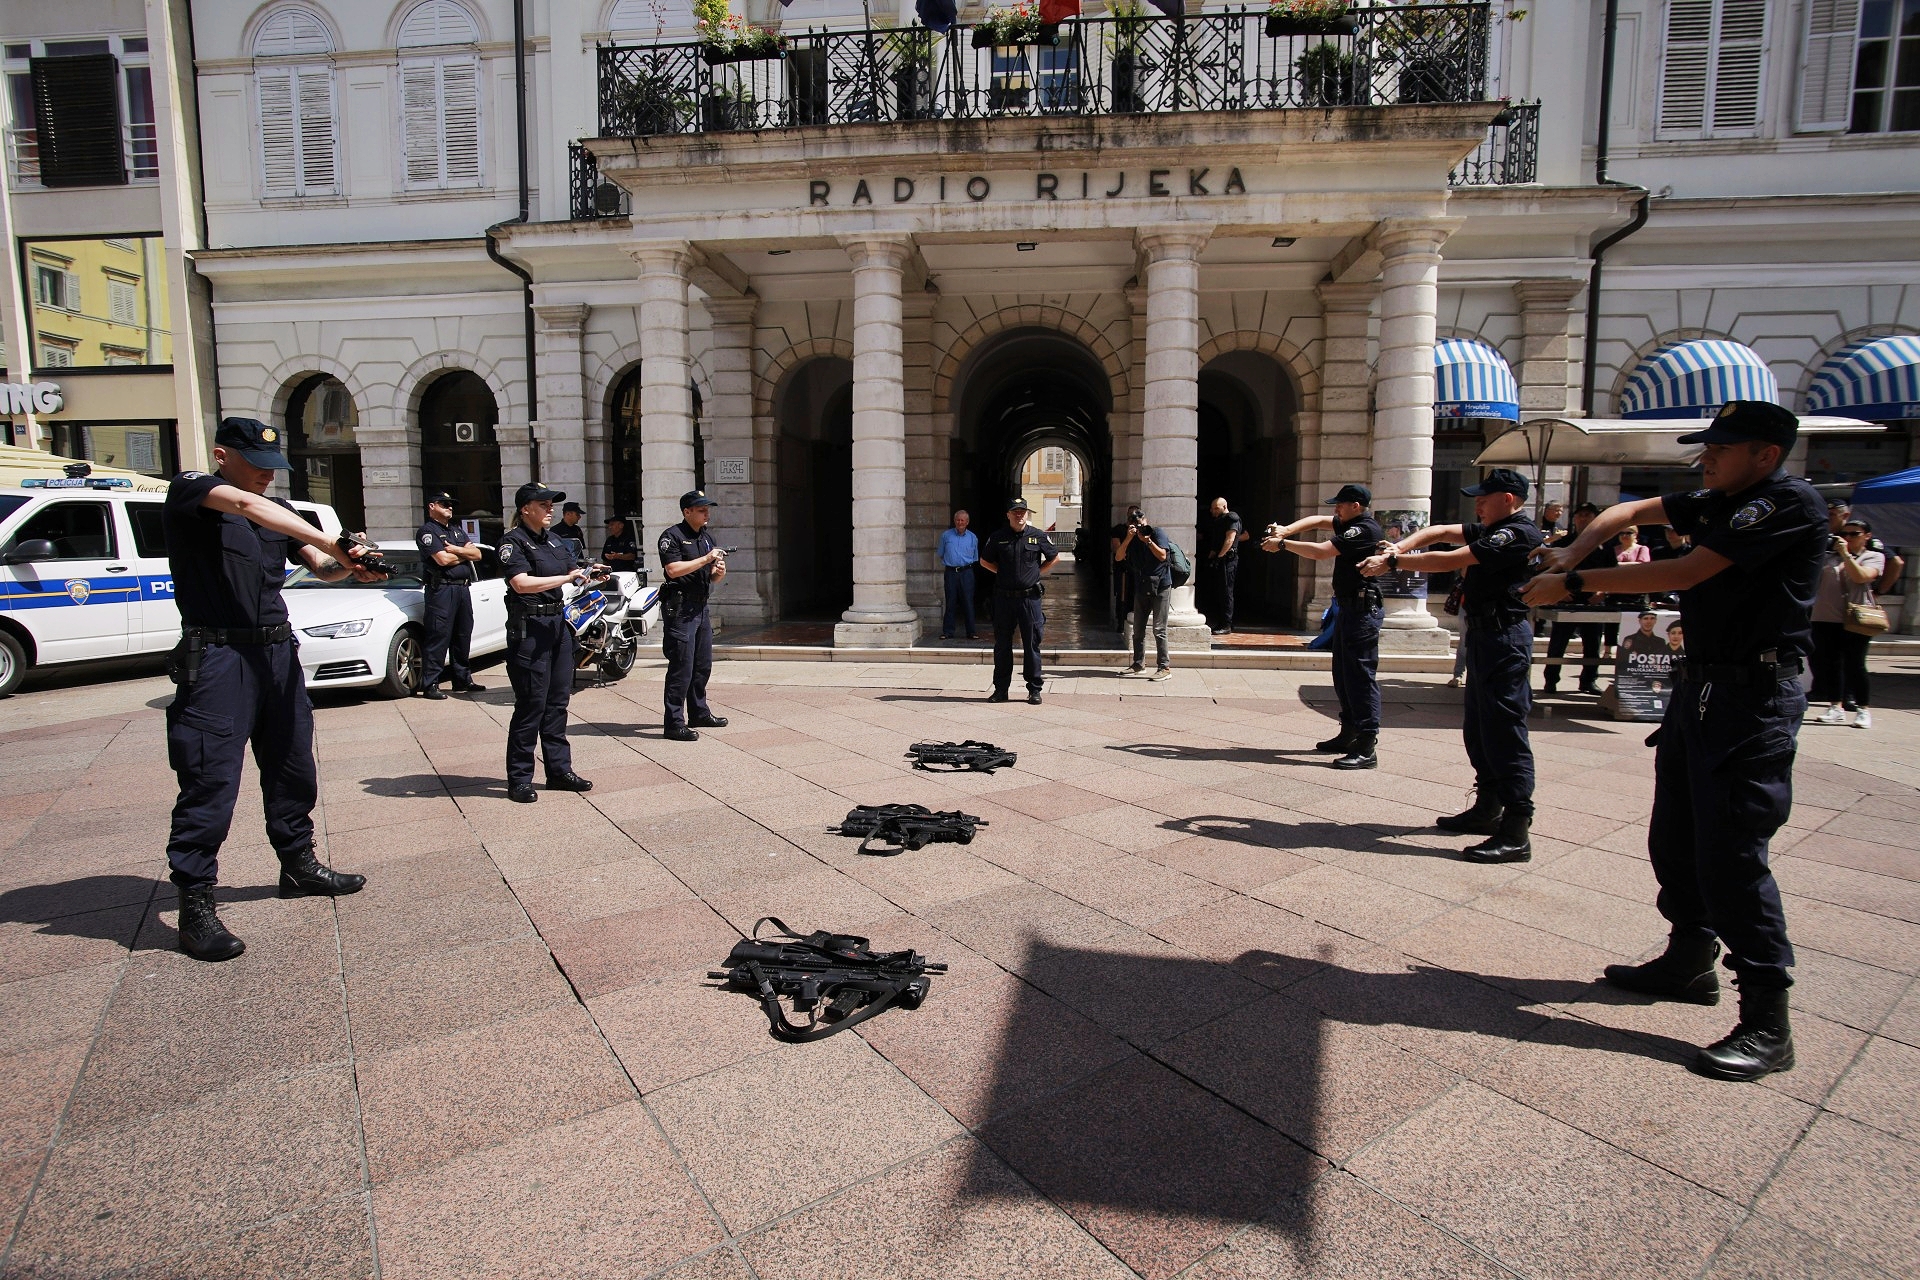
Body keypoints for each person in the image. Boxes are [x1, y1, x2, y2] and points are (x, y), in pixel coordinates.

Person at [1525, 400, 1825, 1082]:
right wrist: (1574, 546)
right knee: (1677, 835)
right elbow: (1627, 515)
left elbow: (1687, 573)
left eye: (1721, 448)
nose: (1706, 458)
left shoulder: (1783, 504)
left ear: (1765, 455)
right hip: (1703, 691)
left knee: (1733, 853)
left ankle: (1767, 1023)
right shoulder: (1720, 497)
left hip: (1754, 698)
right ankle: (1689, 959)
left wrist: (1574, 580)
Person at [162, 417, 377, 961]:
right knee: (211, 777)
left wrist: (352, 565)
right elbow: (244, 507)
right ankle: (196, 902)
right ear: (220, 456)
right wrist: (332, 536)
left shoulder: (280, 516)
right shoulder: (195, 490)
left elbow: (321, 568)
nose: (265, 476)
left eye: (272, 468)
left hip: (277, 653)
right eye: (255, 466)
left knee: (291, 764)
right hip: (218, 655)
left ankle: (297, 864)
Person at [1362, 467, 1543, 861]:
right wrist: (1398, 548)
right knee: (1479, 727)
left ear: (1508, 499)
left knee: (1504, 730)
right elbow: (1440, 531)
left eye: (1485, 497)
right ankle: (1487, 808)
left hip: (1503, 638)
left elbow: (1452, 560)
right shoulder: (1494, 528)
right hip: (1484, 636)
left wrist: (1393, 564)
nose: (1477, 503)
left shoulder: (1516, 533)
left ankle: (1516, 828)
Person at [1264, 482, 1385, 769]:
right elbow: (1318, 520)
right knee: (1344, 674)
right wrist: (1286, 529)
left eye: (1340, 504)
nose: (1335, 509)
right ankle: (1349, 732)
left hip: (1362, 611)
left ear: (1356, 506)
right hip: (1349, 608)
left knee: (1360, 676)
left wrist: (1282, 544)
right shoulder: (1348, 522)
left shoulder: (1363, 529)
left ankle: (1367, 745)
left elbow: (1321, 551)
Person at [498, 483, 598, 803]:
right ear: (526, 508)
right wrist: (567, 578)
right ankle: (520, 779)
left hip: (557, 626)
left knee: (557, 704)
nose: (551, 509)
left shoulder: (555, 540)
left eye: (552, 504)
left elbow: (573, 572)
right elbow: (521, 583)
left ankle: (558, 771)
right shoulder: (513, 542)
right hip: (530, 629)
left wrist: (591, 575)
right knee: (531, 706)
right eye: (544, 504)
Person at [658, 490, 729, 741]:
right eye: (701, 509)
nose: (706, 513)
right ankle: (674, 722)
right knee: (682, 667)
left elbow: (713, 577)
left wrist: (718, 570)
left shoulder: (706, 538)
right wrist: (706, 559)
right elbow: (673, 569)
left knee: (702, 665)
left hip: (701, 607)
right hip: (681, 609)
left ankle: (699, 712)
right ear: (687, 511)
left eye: (707, 509)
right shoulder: (672, 537)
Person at [980, 497, 1058, 704]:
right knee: (1002, 645)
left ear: (1027, 514)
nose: (1019, 515)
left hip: (1029, 599)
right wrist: (1002, 573)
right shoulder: (998, 537)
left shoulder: (1038, 536)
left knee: (1031, 645)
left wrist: (1036, 574)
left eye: (1023, 511)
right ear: (1008, 515)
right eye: (1015, 511)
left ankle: (1034, 690)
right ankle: (1001, 690)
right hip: (1004, 599)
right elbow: (984, 561)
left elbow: (1054, 557)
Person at [1811, 517, 1883, 729]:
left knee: (1855, 664)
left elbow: (1861, 577)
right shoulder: (1828, 557)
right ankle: (1835, 706)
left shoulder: (1873, 557)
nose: (1847, 538)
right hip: (1825, 617)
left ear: (1867, 536)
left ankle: (1863, 708)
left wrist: (1845, 554)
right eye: (1844, 534)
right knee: (1831, 663)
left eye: (1854, 534)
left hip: (1856, 618)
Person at [417, 490, 484, 700]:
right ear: (431, 506)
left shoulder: (456, 531)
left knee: (462, 635)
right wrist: (463, 554)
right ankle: (430, 684)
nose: (450, 507)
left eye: (451, 504)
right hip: (442, 589)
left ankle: (462, 679)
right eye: (444, 504)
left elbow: (478, 554)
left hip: (462, 588)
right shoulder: (428, 532)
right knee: (439, 636)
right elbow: (442, 561)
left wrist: (455, 550)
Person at [1542, 502, 1610, 695]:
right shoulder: (1564, 543)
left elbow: (1611, 571)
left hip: (1593, 603)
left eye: (1587, 515)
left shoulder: (1603, 545)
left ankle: (1589, 681)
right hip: (1567, 600)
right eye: (1579, 515)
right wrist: (1558, 591)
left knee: (1592, 645)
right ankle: (1551, 680)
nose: (1583, 519)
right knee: (1558, 644)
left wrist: (1602, 592)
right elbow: (1551, 570)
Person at [1115, 504, 1173, 680]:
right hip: (1142, 585)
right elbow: (1118, 557)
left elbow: (1163, 555)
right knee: (1138, 628)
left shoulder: (1157, 533)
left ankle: (1164, 667)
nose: (1139, 527)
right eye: (1135, 524)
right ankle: (1138, 664)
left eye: (1141, 523)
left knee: (1159, 629)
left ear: (1145, 521)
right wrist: (1128, 538)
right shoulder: (1131, 538)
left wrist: (1147, 540)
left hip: (1161, 585)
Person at [1201, 497, 1243, 634]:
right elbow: (1217, 541)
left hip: (1228, 560)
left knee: (1226, 592)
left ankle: (1227, 625)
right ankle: (1222, 622)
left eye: (1216, 508)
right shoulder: (1219, 521)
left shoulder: (1232, 518)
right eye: (1212, 508)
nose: (1213, 511)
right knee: (1220, 592)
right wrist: (1212, 558)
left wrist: (1220, 556)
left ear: (1224, 506)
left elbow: (1230, 539)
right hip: (1221, 559)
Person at [939, 509, 980, 640]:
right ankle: (947, 632)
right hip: (951, 572)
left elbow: (975, 557)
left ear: (967, 522)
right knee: (950, 602)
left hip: (967, 573)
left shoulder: (973, 537)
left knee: (968, 602)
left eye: (962, 520)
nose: (960, 522)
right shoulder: (946, 536)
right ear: (954, 521)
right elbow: (941, 553)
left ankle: (971, 632)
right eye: (958, 520)